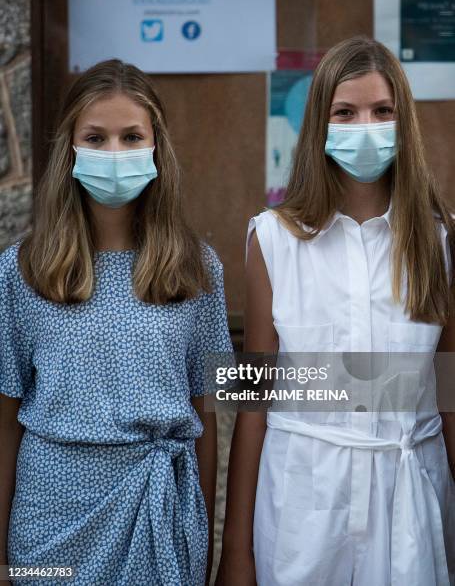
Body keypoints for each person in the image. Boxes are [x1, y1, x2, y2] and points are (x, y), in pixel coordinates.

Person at [216, 36, 455, 586]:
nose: (364, 125)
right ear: (319, 125)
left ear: (404, 122)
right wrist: (236, 552)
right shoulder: (271, 239)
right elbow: (250, 403)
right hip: (304, 497)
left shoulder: (438, 242)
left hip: (410, 491)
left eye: (382, 110)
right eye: (344, 112)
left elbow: (448, 393)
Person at [0, 59, 233, 586]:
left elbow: (210, 414)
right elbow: (4, 418)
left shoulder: (199, 270)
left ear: (157, 146)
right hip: (49, 526)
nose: (114, 153)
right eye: (96, 137)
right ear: (70, 148)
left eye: (132, 137)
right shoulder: (22, 270)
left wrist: (205, 542)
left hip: (159, 516)